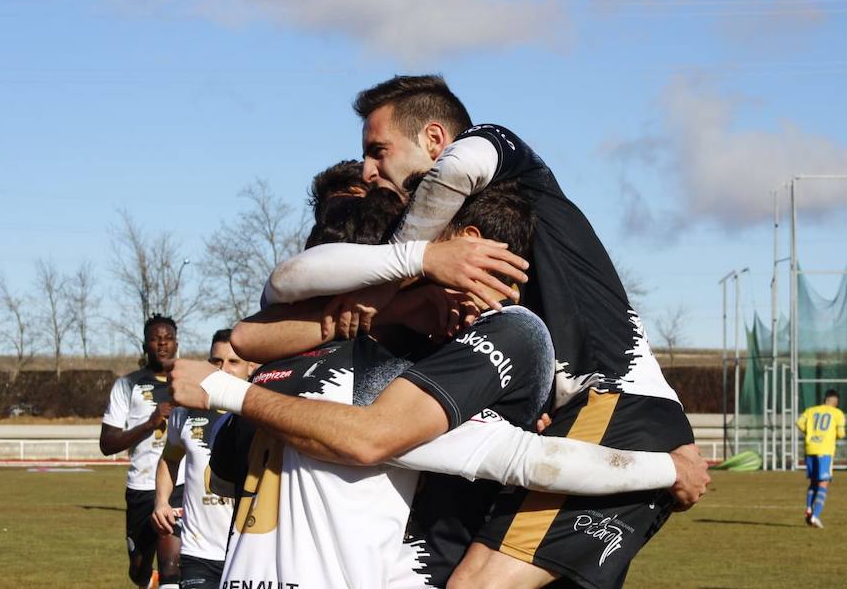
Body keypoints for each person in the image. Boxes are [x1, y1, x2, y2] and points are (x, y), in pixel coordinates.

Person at [252, 74, 704, 588]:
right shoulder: (439, 262)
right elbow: (282, 289)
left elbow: (465, 165)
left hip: (616, 407)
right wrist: (413, 264)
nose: (368, 168)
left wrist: (394, 277)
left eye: (379, 151)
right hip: (592, 423)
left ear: (435, 140)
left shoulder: (513, 168)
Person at [171, 179, 709, 588]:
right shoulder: (384, 382)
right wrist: (669, 468)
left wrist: (231, 393)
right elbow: (518, 459)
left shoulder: (281, 365)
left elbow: (231, 451)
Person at [151, 329, 256, 589]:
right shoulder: (185, 412)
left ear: (250, 367)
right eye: (216, 361)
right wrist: (161, 501)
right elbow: (169, 459)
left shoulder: (263, 416)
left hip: (249, 551)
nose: (224, 369)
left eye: (234, 362)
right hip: (199, 553)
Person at [100, 314, 185, 589]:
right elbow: (107, 443)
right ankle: (150, 581)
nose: (162, 344)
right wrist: (150, 424)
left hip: (179, 484)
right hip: (141, 486)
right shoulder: (127, 385)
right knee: (138, 569)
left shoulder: (188, 384)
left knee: (171, 566)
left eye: (168, 338)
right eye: (155, 339)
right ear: (145, 345)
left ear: (176, 343)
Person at [797, 389, 846, 528]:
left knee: (813, 482)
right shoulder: (838, 413)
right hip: (824, 450)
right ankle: (815, 516)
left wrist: (811, 433)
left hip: (810, 448)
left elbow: (799, 423)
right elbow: (841, 434)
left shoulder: (810, 410)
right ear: (835, 401)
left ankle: (808, 509)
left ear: (825, 399)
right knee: (823, 483)